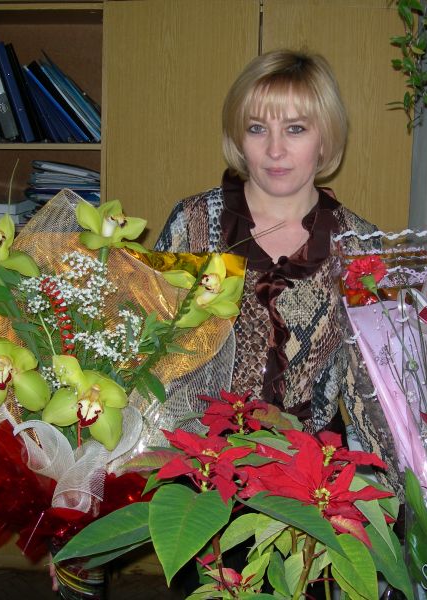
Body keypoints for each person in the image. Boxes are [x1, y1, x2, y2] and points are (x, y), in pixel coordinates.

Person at [156, 49, 398, 490]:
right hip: (199, 477)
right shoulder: (194, 224)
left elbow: (373, 389)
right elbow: (152, 358)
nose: (274, 149)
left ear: (324, 138)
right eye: (257, 128)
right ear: (238, 137)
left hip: (309, 486)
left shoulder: (358, 245)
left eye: (295, 129)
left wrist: (404, 500)